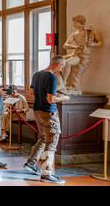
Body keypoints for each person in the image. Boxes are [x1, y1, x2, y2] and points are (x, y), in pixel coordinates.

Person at [24, 56, 70, 184]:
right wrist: (63, 98)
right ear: (58, 64)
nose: (61, 70)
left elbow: (31, 94)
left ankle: (31, 162)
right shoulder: (51, 77)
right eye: (62, 66)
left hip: (37, 111)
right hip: (49, 112)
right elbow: (50, 99)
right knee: (52, 143)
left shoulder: (37, 74)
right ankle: (47, 173)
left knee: (43, 138)